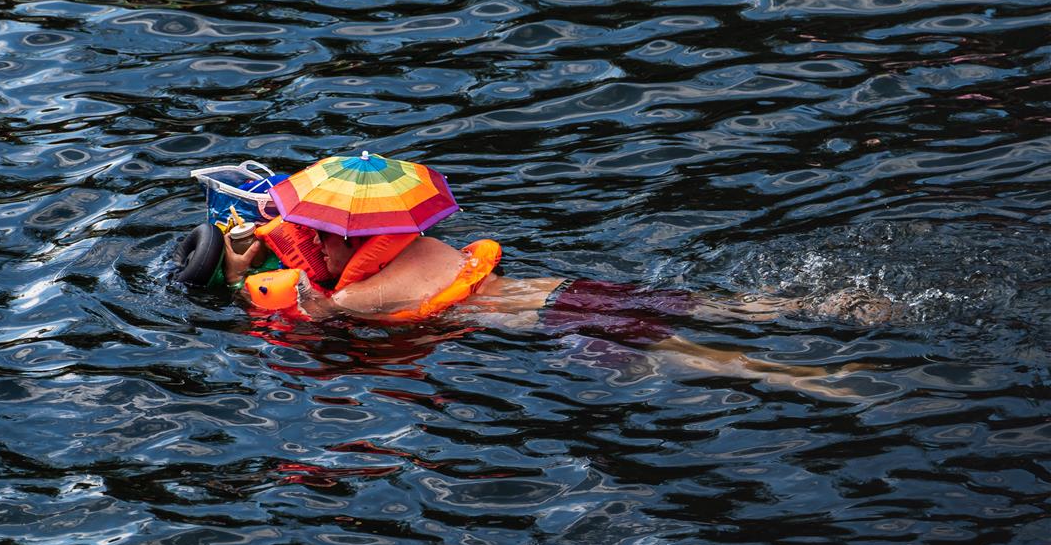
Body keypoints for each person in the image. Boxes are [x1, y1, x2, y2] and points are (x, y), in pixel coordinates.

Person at [221, 216, 889, 398]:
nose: (313, 257)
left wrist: (238, 265)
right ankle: (830, 306)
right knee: (726, 305)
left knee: (694, 359)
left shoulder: (357, 292)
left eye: (319, 247)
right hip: (567, 289)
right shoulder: (417, 243)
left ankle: (813, 379)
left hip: (556, 321)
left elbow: (313, 314)